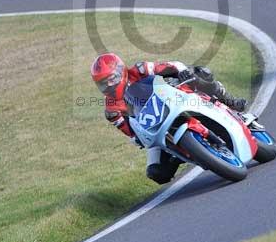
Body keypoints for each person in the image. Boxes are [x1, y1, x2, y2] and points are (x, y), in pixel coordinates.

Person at [90, 53, 257, 184]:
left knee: (201, 73)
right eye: (103, 83)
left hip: (175, 98)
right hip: (156, 128)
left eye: (112, 79)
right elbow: (131, 132)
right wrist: (137, 138)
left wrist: (181, 72)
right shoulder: (111, 109)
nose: (109, 85)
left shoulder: (140, 69)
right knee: (157, 173)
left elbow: (172, 65)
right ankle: (185, 152)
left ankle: (228, 100)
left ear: (120, 70)